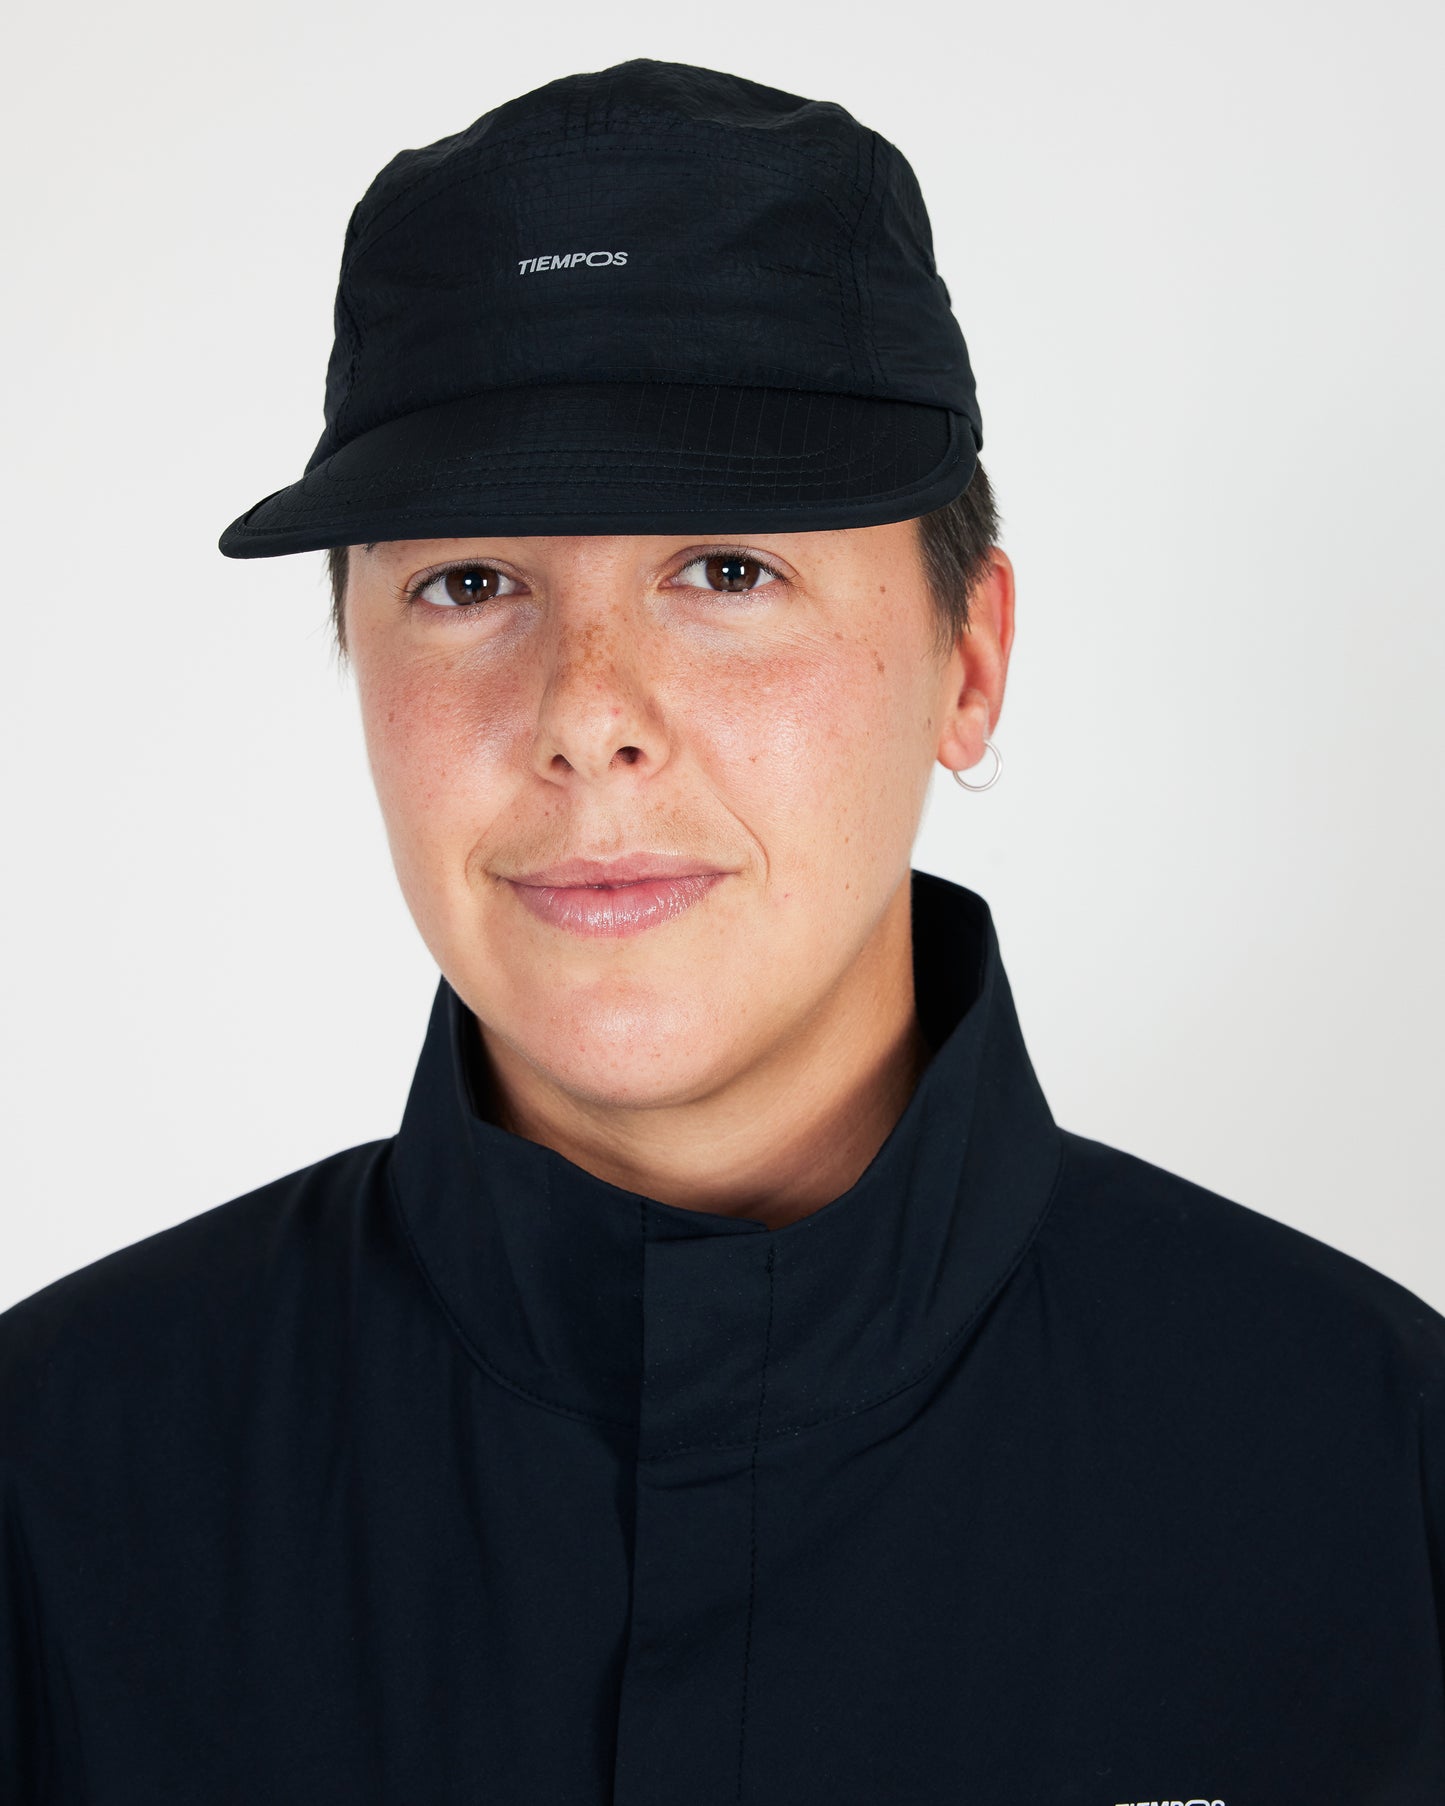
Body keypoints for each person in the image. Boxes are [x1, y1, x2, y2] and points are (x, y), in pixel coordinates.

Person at [2, 56, 1442, 1805]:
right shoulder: (58, 1489)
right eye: (469, 584)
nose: (587, 714)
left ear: (966, 661)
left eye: (728, 570)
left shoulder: (1375, 1474)